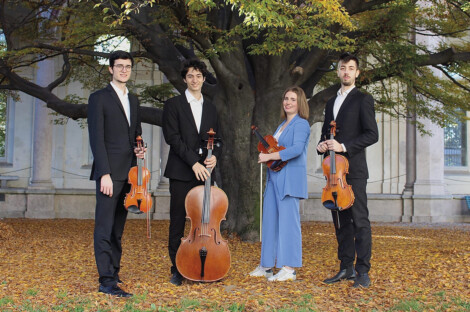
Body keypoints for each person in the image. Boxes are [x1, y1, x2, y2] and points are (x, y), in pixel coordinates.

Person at [316, 53, 379, 288]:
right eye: (343, 68)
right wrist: (322, 144)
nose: (346, 72)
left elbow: (372, 134)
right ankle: (346, 267)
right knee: (341, 222)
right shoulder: (331, 102)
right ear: (338, 71)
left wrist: (343, 146)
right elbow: (326, 131)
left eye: (351, 69)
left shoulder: (363, 99)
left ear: (357, 73)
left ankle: (363, 271)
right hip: (334, 173)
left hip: (354, 172)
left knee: (360, 220)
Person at [88, 50, 144, 297]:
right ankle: (106, 281)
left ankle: (115, 272)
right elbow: (96, 139)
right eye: (119, 66)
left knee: (118, 229)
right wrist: (104, 174)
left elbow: (136, 133)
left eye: (128, 66)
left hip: (130, 174)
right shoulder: (98, 98)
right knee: (104, 227)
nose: (124, 70)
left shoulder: (134, 99)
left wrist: (140, 149)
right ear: (110, 69)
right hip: (110, 174)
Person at [162, 59, 222, 286]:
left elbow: (218, 140)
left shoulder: (212, 107)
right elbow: (173, 139)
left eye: (198, 76)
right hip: (181, 171)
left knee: (206, 221)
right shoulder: (173, 105)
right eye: (190, 76)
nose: (195, 80)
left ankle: (202, 263)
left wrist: (215, 154)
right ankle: (177, 268)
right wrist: (193, 163)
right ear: (185, 79)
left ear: (204, 79)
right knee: (178, 220)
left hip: (206, 173)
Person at [249, 86, 310, 282]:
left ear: (299, 102)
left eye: (292, 99)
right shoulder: (282, 124)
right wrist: (269, 157)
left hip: (289, 180)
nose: (288, 102)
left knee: (289, 225)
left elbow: (296, 150)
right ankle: (266, 265)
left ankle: (289, 268)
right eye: (286, 98)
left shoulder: (301, 124)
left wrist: (270, 155)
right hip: (274, 178)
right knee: (269, 222)